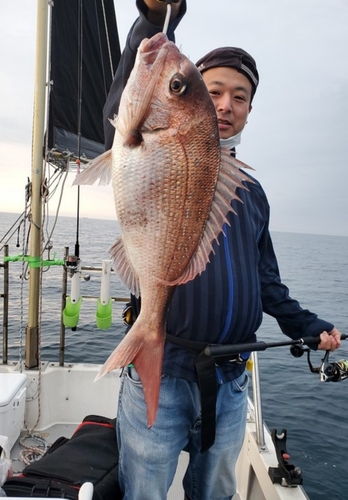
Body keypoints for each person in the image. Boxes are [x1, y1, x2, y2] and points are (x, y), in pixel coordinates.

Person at [103, 1, 342, 499]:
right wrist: (152, 19)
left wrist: (307, 325)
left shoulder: (251, 194)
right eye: (213, 92)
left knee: (213, 491)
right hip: (164, 370)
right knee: (143, 489)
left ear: (251, 109)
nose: (227, 104)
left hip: (232, 380)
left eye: (241, 96)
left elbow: (267, 281)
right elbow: (125, 107)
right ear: (199, 103)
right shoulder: (151, 138)